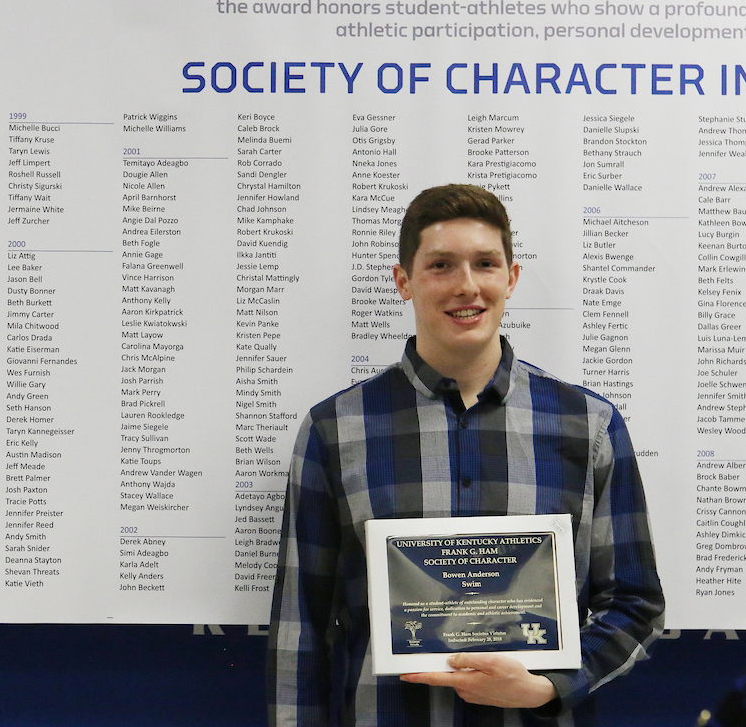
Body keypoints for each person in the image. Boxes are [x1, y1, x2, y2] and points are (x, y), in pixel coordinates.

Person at [268, 184, 664, 726]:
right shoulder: (335, 429)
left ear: (511, 278)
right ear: (403, 281)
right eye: (441, 266)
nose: (467, 286)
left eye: (485, 264)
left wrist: (549, 688)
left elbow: (635, 603)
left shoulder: (588, 425)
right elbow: (301, 627)